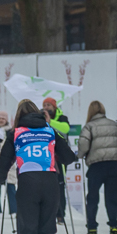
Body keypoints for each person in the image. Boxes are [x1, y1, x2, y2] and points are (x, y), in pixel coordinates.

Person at [0, 99, 77, 234]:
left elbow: (4, 160)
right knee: (47, 230)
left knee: (27, 231)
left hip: (27, 183)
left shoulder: (15, 133)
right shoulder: (50, 131)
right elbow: (68, 157)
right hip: (50, 183)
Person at [78, 101, 117, 234]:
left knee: (92, 198)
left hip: (97, 166)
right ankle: (114, 229)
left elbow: (83, 144)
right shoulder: (114, 124)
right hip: (115, 165)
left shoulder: (89, 126)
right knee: (112, 199)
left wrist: (80, 155)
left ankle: (92, 230)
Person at [42, 96, 71, 224]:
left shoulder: (62, 118)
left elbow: (66, 129)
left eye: (49, 105)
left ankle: (60, 214)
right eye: (45, 105)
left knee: (60, 187)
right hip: (46, 157)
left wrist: (50, 122)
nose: (46, 108)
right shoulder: (40, 117)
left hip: (59, 158)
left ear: (54, 107)